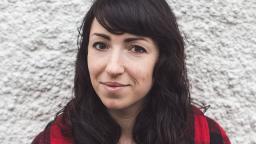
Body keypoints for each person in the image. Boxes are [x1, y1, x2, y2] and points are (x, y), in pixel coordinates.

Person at [32, 0, 231, 143]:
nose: (113, 68)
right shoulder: (55, 139)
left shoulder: (204, 136)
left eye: (136, 48)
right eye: (101, 45)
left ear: (161, 61)